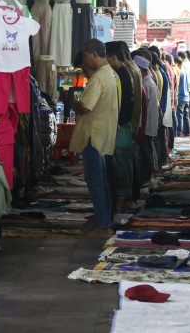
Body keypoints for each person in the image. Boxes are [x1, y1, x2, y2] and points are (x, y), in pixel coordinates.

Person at [69, 39, 118, 238]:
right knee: (101, 180)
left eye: (85, 55)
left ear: (93, 55)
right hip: (102, 133)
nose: (84, 59)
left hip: (93, 135)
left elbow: (86, 107)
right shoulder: (110, 74)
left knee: (96, 180)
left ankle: (102, 223)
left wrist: (74, 103)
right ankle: (103, 219)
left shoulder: (98, 78)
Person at [105, 42, 135, 212]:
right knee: (122, 165)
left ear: (113, 57)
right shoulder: (126, 73)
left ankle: (121, 201)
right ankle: (122, 200)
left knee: (120, 166)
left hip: (121, 126)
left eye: (106, 58)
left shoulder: (121, 75)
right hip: (124, 125)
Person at [134, 55, 160, 174]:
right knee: (146, 152)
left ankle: (148, 177)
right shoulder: (147, 83)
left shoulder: (147, 85)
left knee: (145, 154)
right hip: (148, 125)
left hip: (146, 126)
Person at [175, 57, 190, 137]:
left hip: (180, 97)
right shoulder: (186, 72)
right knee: (186, 115)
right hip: (186, 96)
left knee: (180, 116)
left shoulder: (179, 72)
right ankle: (187, 132)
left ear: (177, 63)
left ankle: (179, 132)